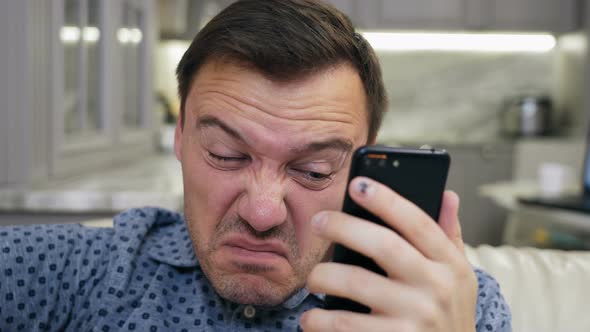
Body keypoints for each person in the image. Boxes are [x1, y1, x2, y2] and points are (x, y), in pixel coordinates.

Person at [0, 0, 511, 331]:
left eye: (312, 170)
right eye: (226, 155)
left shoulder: (452, 308)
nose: (263, 213)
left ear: (361, 165)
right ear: (180, 136)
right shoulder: (71, 273)